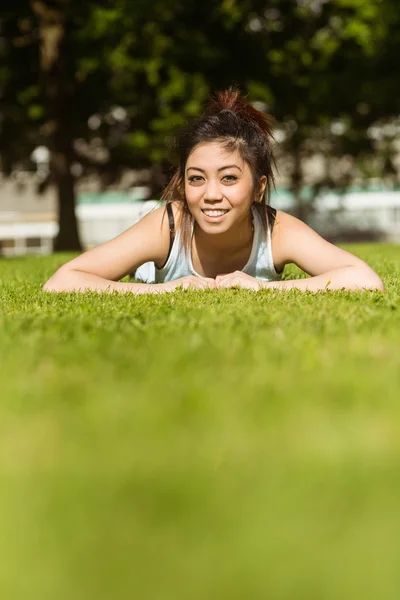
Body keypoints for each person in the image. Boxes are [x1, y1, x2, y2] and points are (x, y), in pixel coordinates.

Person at [43, 88, 384, 295]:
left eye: (229, 178)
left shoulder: (277, 230)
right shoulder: (169, 224)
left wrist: (265, 288)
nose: (210, 194)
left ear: (259, 188)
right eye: (196, 178)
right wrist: (165, 292)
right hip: (155, 254)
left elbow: (365, 279)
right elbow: (62, 281)